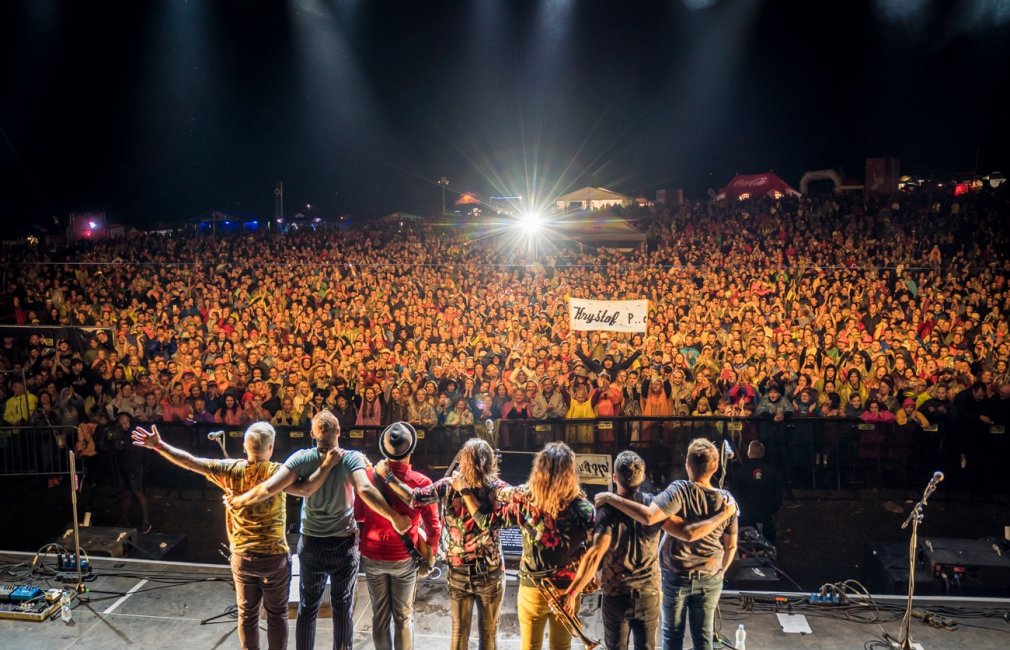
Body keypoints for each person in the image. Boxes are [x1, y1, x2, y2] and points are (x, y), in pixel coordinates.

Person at [228, 411, 411, 650]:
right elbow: (365, 490)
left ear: (312, 434)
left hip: (312, 543)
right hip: (343, 544)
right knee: (342, 606)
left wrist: (239, 501)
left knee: (307, 606)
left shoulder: (301, 458)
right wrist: (395, 517)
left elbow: (269, 488)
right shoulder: (351, 458)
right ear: (338, 432)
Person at [131, 421, 296, 650]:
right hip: (273, 556)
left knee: (247, 614)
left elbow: (190, 462)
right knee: (277, 615)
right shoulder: (278, 472)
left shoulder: (230, 469)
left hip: (242, 555)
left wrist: (159, 445)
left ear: (245, 446)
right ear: (271, 447)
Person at [565, 451, 736, 650]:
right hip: (649, 593)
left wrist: (574, 591)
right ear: (643, 478)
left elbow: (596, 552)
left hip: (617, 593)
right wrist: (722, 515)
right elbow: (686, 532)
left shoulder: (607, 508)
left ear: (614, 477)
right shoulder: (654, 505)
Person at [467, 442, 594, 650]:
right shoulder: (584, 509)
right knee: (561, 646)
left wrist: (466, 489)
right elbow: (593, 556)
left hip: (532, 589)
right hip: (568, 589)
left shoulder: (526, 500)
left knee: (530, 646)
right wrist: (573, 593)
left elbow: (488, 518)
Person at [355, 422, 441, 650]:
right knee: (403, 617)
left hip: (372, 555)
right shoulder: (422, 483)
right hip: (404, 556)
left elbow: (359, 515)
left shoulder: (368, 477)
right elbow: (434, 527)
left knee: (380, 616)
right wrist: (430, 554)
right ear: (410, 450)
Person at [730, 440, 782, 545]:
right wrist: (773, 509)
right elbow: (778, 494)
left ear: (748, 454)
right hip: (766, 513)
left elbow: (734, 495)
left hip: (746, 514)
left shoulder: (740, 472)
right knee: (770, 540)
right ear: (762, 453)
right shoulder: (772, 471)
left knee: (746, 542)